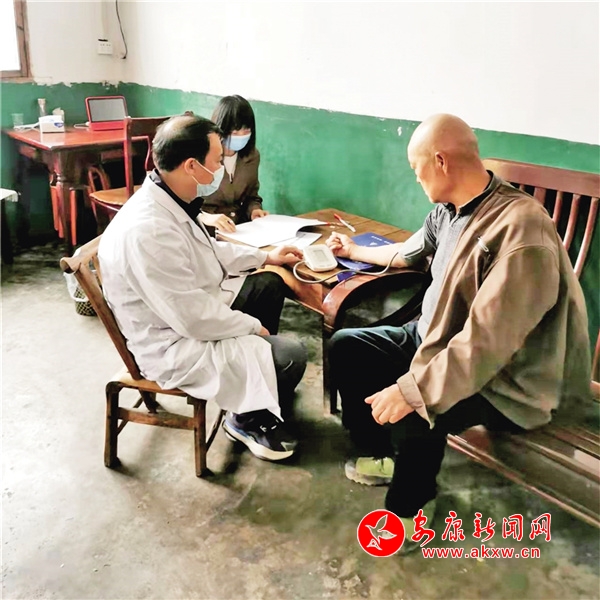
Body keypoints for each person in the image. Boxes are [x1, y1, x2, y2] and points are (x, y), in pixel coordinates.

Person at [327, 113, 591, 544]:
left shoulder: (521, 230)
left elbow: (487, 343)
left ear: (440, 161)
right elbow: (408, 253)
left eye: (416, 168)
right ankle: (383, 454)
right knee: (348, 346)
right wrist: (354, 249)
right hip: (432, 339)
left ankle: (410, 510)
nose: (416, 178)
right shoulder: (447, 211)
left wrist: (413, 389)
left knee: (419, 405)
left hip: (500, 378)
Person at [98, 114, 307, 462]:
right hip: (173, 343)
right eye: (217, 160)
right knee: (290, 357)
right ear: (192, 166)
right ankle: (245, 420)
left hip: (190, 309)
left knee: (269, 283)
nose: (221, 168)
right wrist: (252, 328)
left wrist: (266, 256)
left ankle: (259, 393)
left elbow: (209, 250)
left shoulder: (169, 197)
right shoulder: (148, 230)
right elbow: (192, 319)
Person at [199, 95, 268, 234]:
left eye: (246, 131)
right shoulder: (200, 157)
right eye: (235, 132)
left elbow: (252, 196)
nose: (241, 136)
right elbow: (182, 203)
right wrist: (205, 217)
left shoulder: (252, 156)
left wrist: (254, 210)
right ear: (220, 129)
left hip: (240, 229)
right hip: (206, 230)